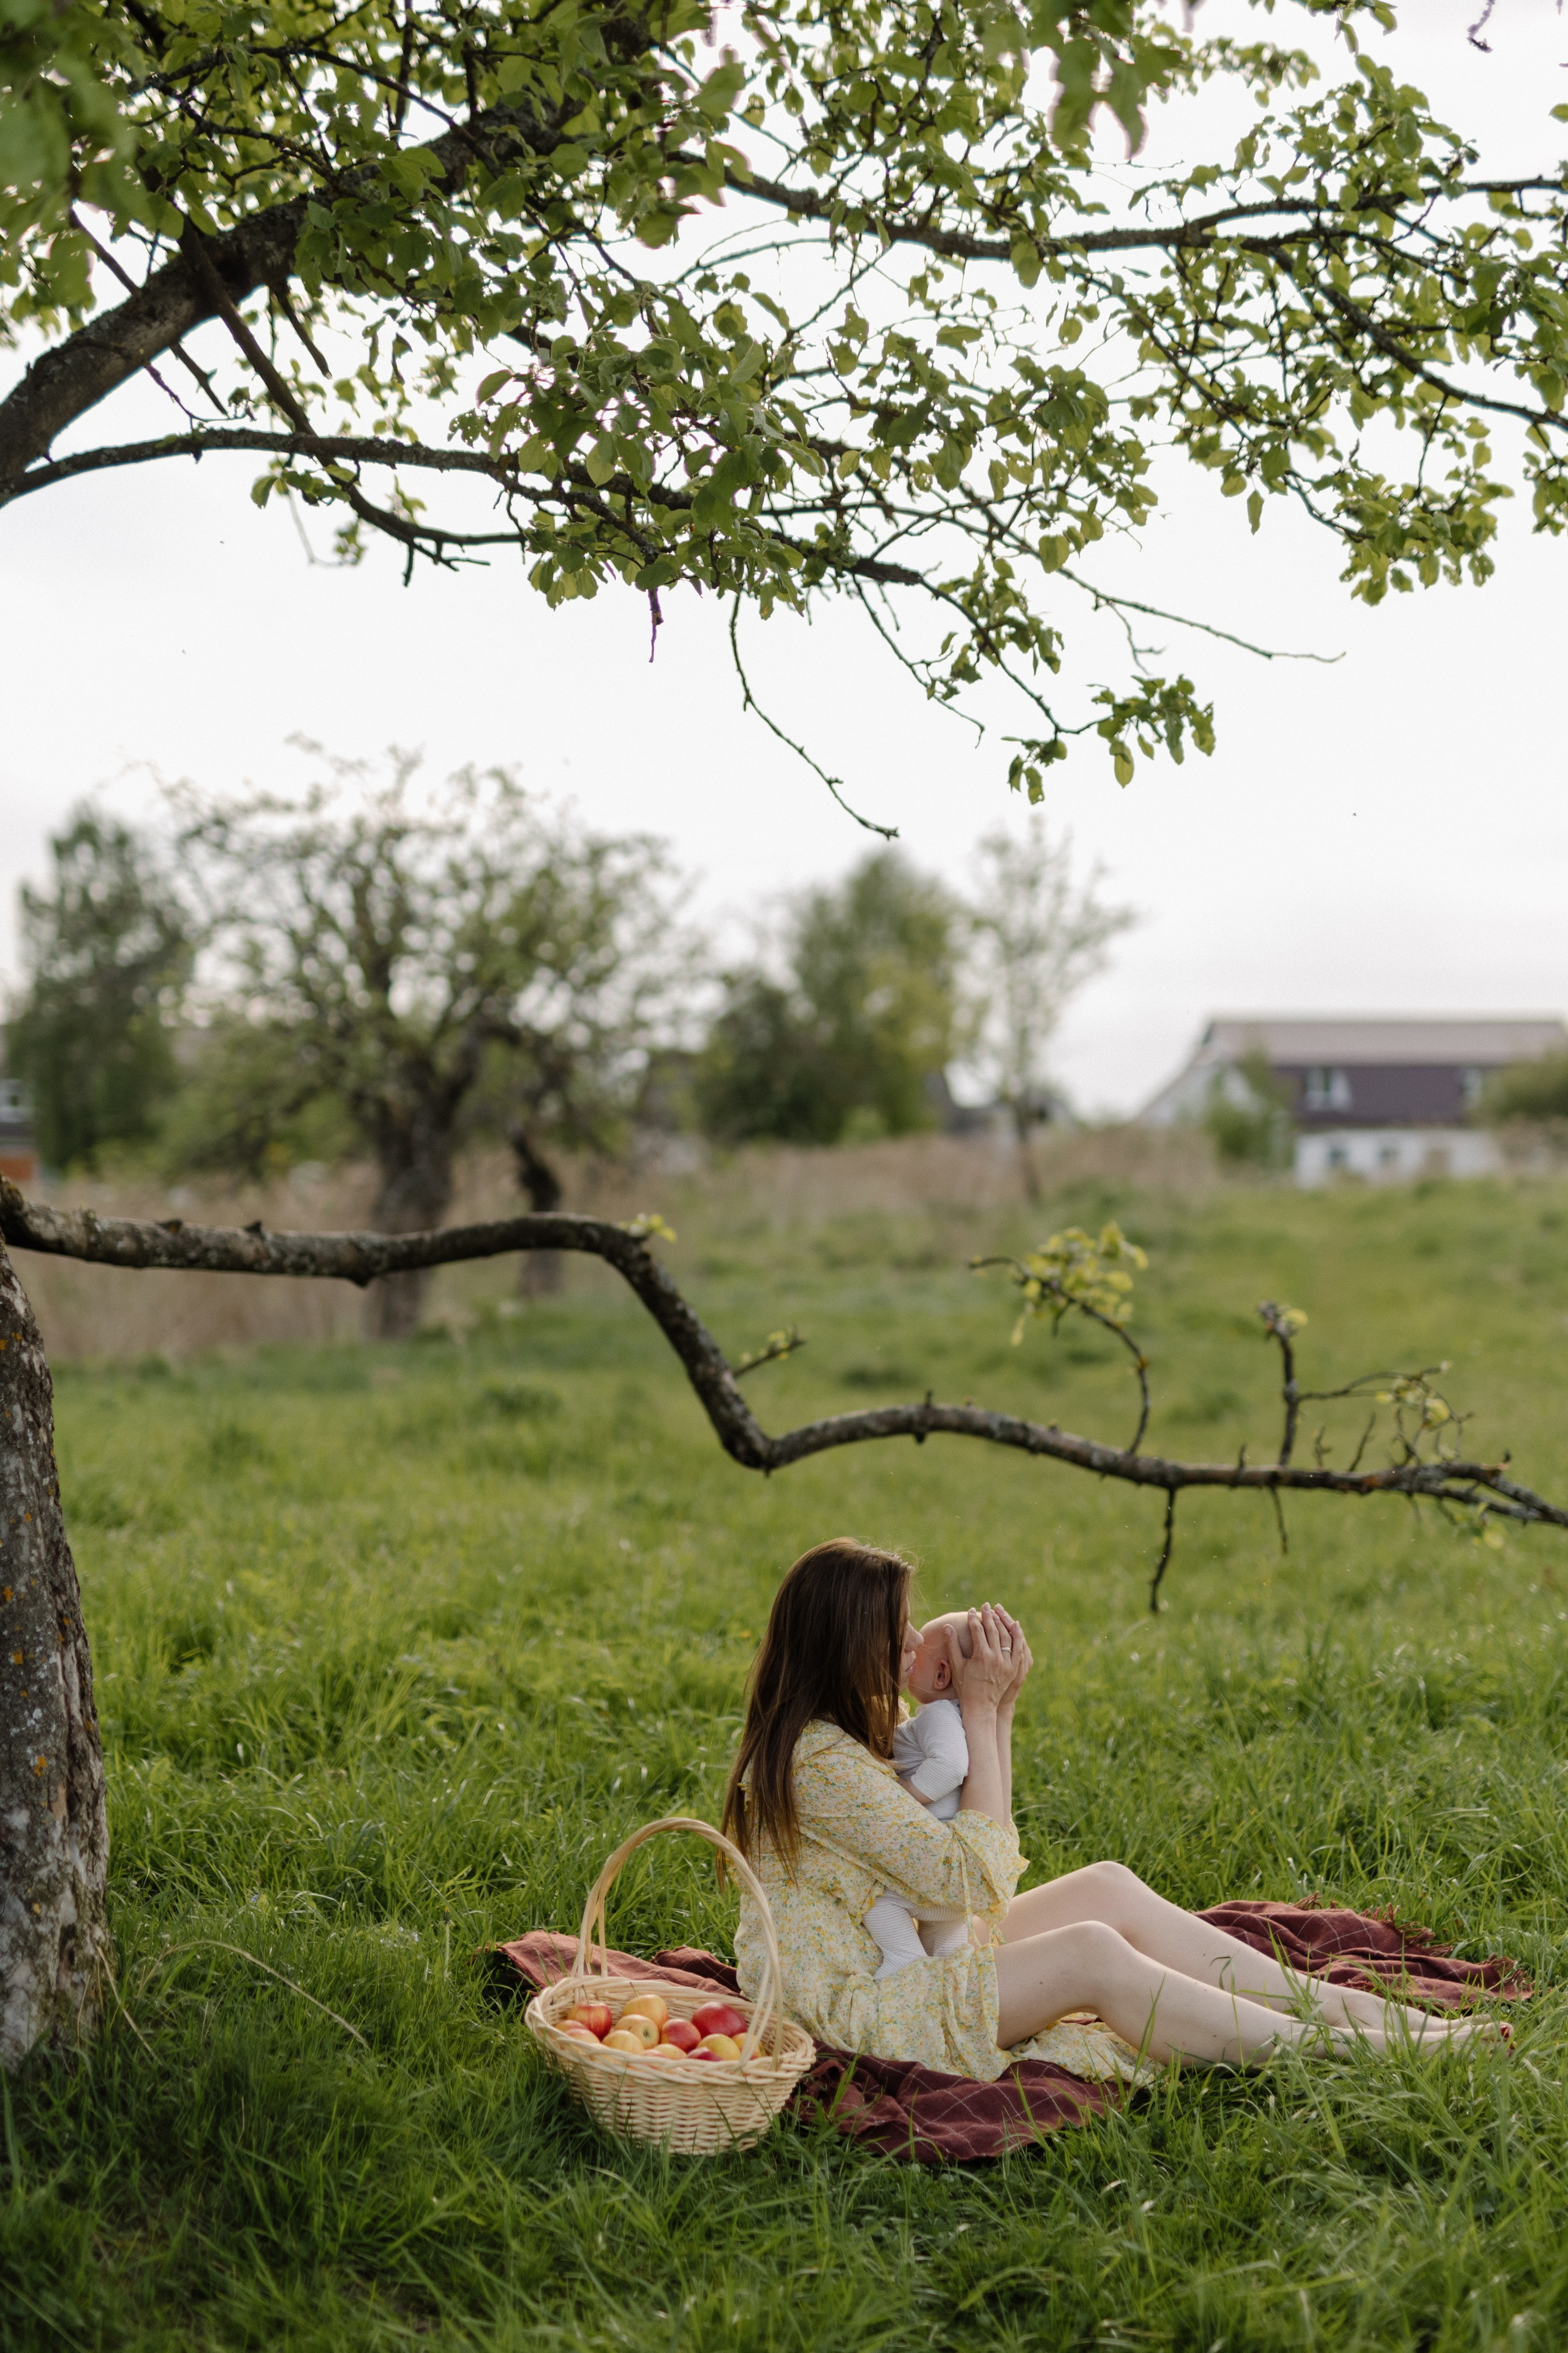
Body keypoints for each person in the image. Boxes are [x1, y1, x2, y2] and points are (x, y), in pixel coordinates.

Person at [722, 1538, 1493, 2081]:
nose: (911, 1650)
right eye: (895, 1639)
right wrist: (982, 1713)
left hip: (909, 1957)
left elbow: (972, 1863)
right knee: (1090, 1949)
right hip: (860, 2004)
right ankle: (1349, 2050)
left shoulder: (852, 1730)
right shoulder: (815, 1761)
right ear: (843, 1647)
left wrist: (999, 1711)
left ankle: (1358, 2014)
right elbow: (969, 1882)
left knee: (1106, 1884)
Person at [864, 1612, 974, 1979]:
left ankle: (904, 1959)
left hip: (929, 1865)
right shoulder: (963, 1718)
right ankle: (952, 1985)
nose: (910, 1651)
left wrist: (904, 1797)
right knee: (949, 1950)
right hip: (951, 1884)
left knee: (875, 1896)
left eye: (919, 1655)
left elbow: (951, 1766)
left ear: (941, 1675)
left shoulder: (938, 1715)